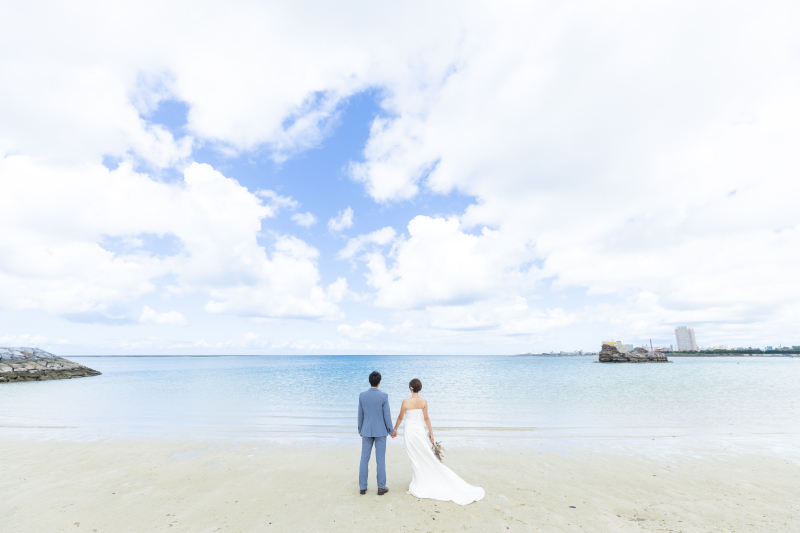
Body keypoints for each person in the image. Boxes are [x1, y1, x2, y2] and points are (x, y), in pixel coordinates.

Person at [392, 378, 484, 505]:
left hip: (410, 433)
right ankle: (419, 482)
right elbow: (426, 418)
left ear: (410, 388)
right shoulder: (423, 401)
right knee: (423, 457)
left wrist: (395, 429)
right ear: (419, 388)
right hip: (419, 431)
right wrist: (431, 435)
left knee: (415, 458)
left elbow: (400, 417)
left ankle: (418, 485)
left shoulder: (405, 402)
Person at [357, 371, 395, 495]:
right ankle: (381, 487)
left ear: (369, 381)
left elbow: (360, 415)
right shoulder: (383, 396)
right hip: (380, 431)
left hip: (366, 430)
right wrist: (391, 430)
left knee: (364, 459)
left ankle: (363, 487)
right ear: (379, 382)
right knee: (380, 459)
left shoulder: (362, 395)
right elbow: (387, 416)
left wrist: (360, 429)